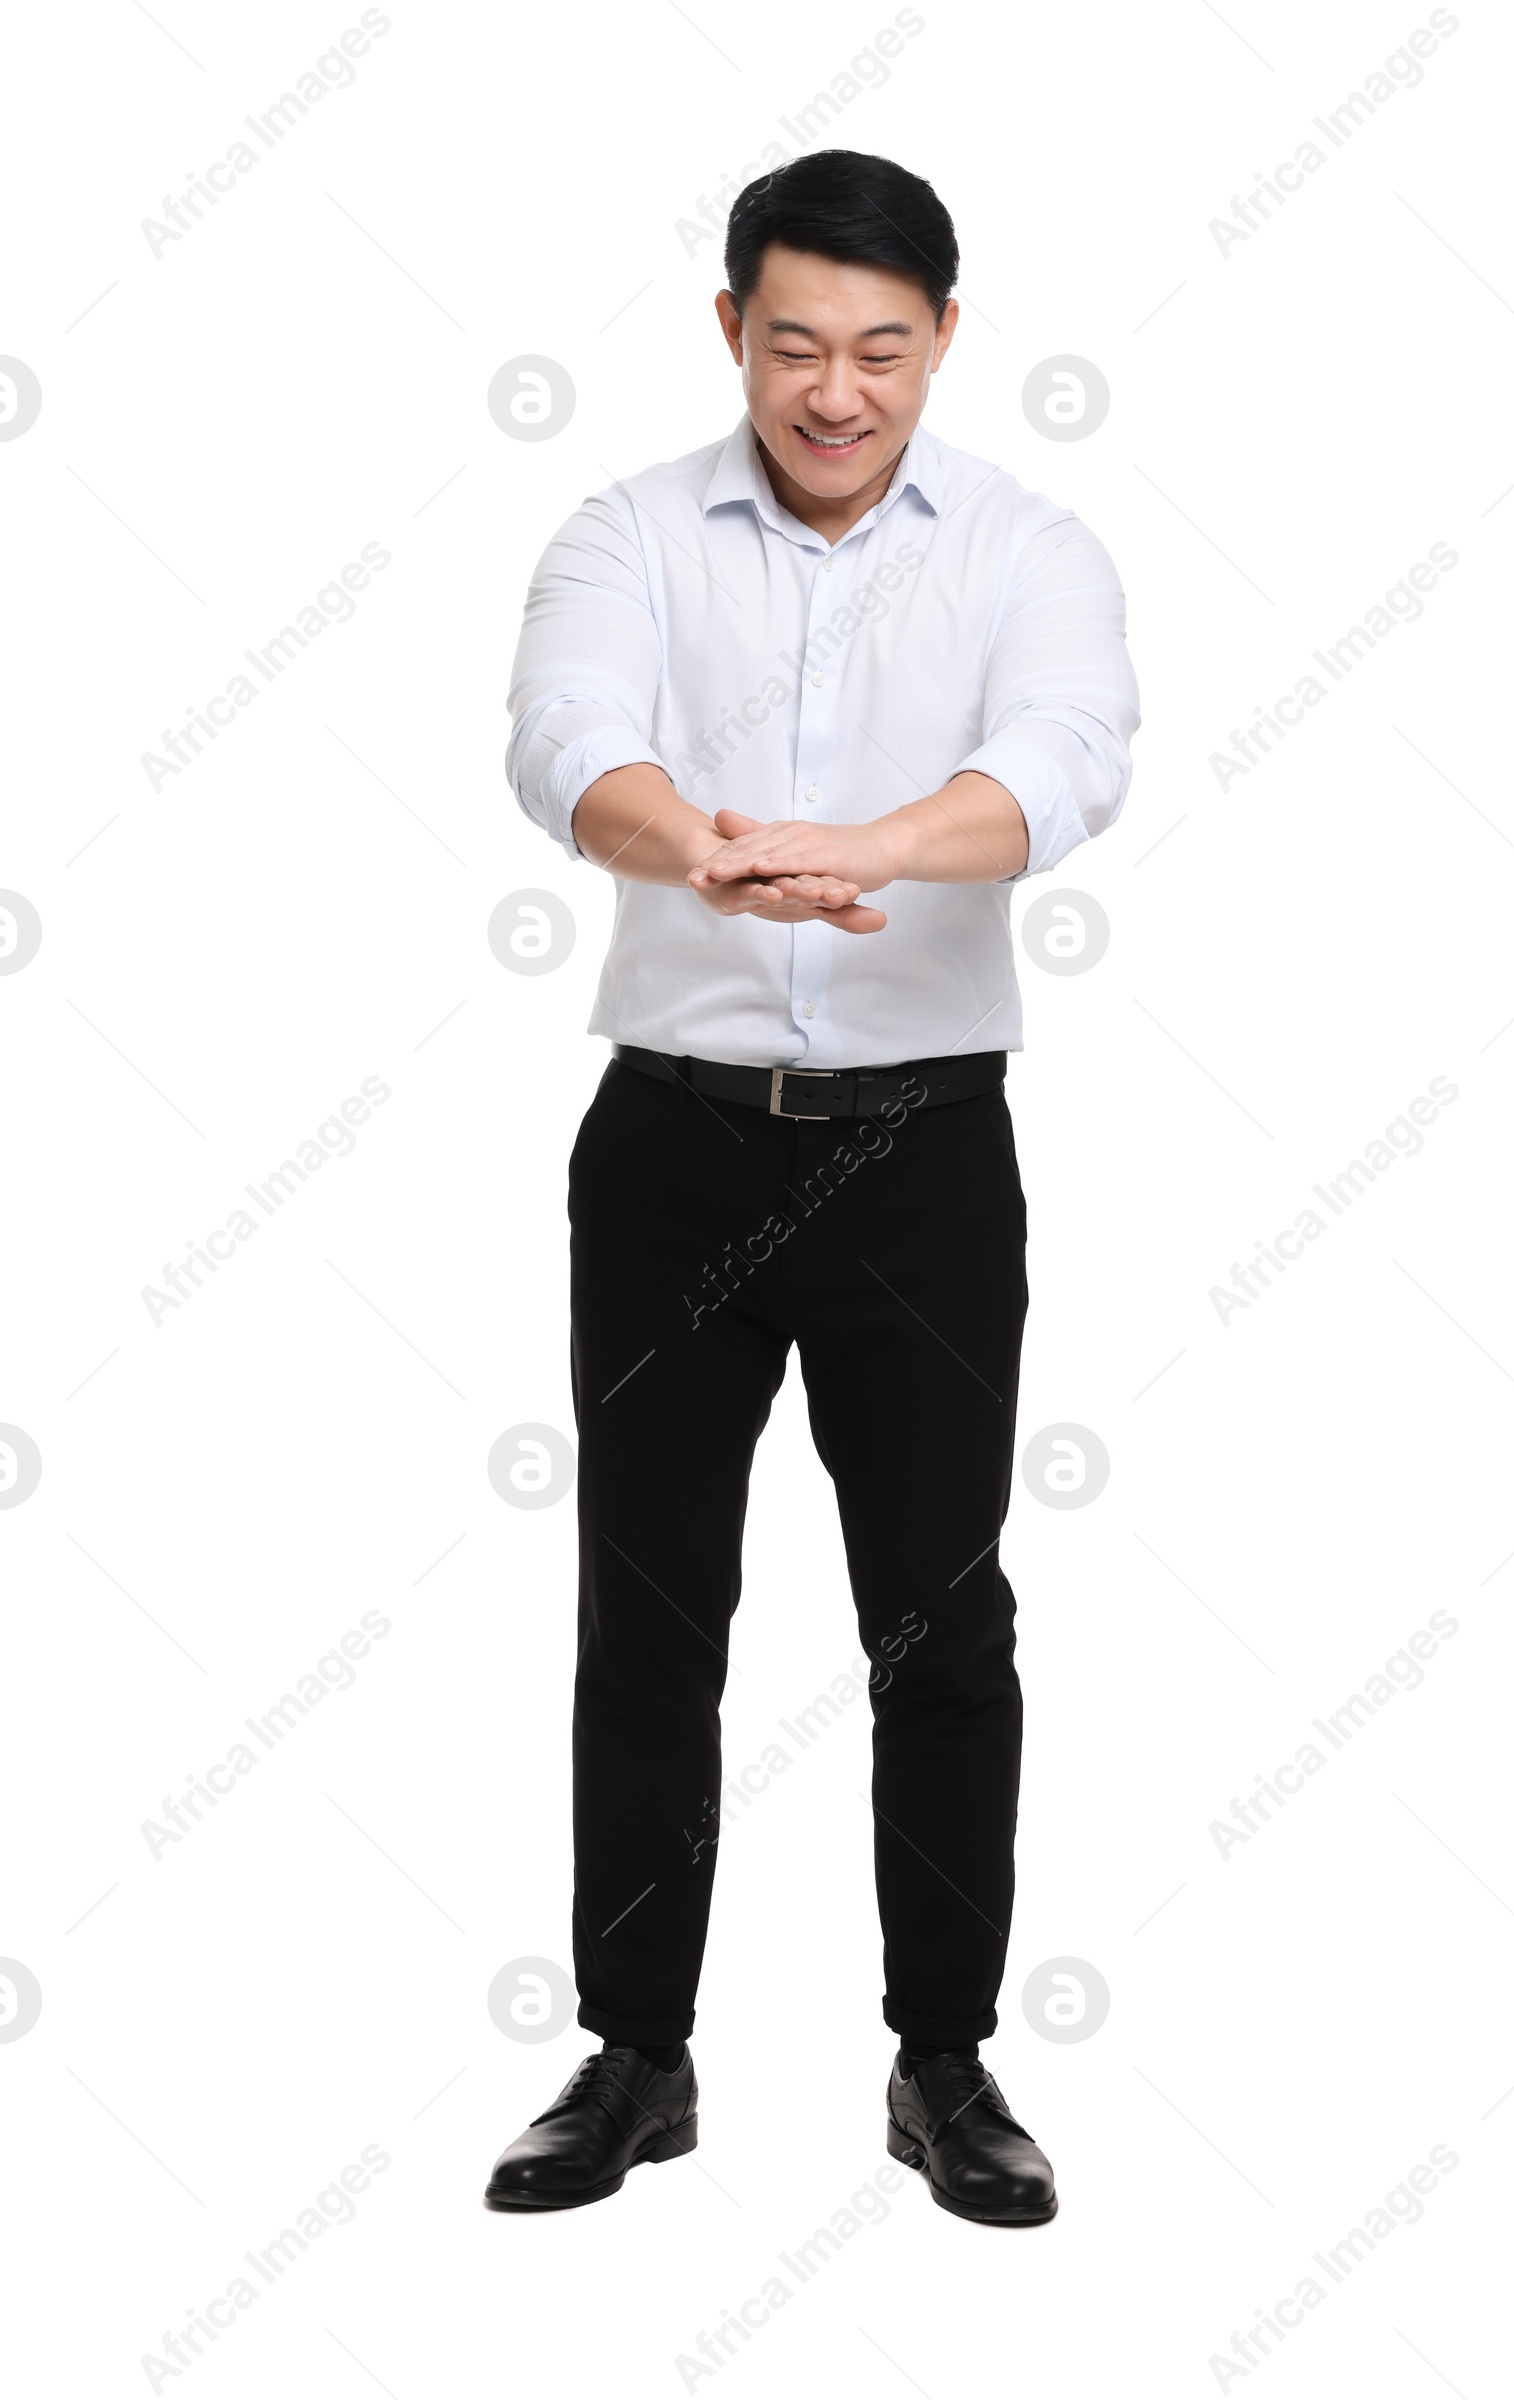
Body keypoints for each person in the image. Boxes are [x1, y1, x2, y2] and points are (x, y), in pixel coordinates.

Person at [485, 148, 1139, 2224]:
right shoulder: (627, 531)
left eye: (878, 347)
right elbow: (560, 738)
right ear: (728, 334)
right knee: (648, 1613)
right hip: (670, 1147)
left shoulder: (1029, 547)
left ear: (943, 337)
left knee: (939, 1621)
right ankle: (634, 2057)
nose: (832, 390)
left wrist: (847, 845)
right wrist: (700, 848)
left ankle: (941, 2064)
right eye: (792, 345)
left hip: (924, 1155)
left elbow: (1061, 761)